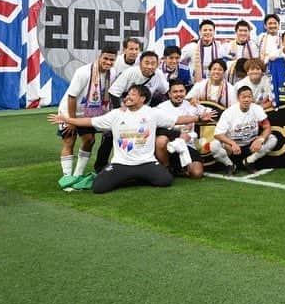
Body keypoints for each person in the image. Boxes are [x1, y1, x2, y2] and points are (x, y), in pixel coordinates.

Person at [49, 84, 207, 193]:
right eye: (128, 94)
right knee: (98, 187)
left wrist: (199, 117)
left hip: (146, 162)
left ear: (142, 98)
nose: (128, 97)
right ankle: (129, 177)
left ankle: (133, 177)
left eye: (133, 95)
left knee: (165, 180)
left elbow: (177, 120)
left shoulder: (152, 113)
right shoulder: (116, 114)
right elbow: (90, 121)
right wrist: (67, 119)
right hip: (121, 164)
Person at [54, 45, 117, 190]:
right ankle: (66, 177)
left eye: (111, 60)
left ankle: (77, 175)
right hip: (69, 110)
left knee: (89, 140)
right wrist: (71, 120)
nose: (108, 62)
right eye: (105, 58)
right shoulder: (83, 72)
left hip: (89, 114)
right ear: (99, 57)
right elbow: (71, 97)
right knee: (69, 141)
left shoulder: (112, 73)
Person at [209, 86, 278, 176]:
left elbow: (267, 127)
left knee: (273, 139)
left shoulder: (257, 109)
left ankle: (249, 161)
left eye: (249, 97)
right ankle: (229, 165)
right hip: (232, 147)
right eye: (243, 97)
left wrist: (260, 140)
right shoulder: (229, 112)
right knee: (214, 145)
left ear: (252, 98)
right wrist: (232, 143)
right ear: (238, 98)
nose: (246, 99)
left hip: (251, 144)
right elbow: (218, 134)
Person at [154, 79, 211, 179]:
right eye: (175, 92)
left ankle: (178, 168)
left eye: (181, 91)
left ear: (185, 92)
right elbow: (156, 129)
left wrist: (202, 107)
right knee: (160, 140)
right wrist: (177, 135)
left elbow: (214, 112)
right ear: (169, 94)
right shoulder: (161, 108)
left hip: (188, 145)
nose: (178, 94)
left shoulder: (192, 105)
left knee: (197, 173)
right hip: (169, 147)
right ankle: (166, 167)